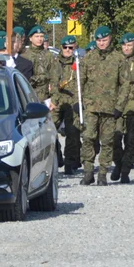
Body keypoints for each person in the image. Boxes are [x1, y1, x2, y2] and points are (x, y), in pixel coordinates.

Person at [79, 26, 121, 186]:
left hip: (110, 108)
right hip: (91, 107)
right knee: (88, 138)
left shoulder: (118, 58)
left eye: (104, 40)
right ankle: (88, 171)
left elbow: (124, 84)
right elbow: (80, 82)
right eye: (99, 40)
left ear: (110, 39)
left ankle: (103, 173)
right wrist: (79, 102)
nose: (101, 43)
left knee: (107, 141)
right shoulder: (88, 58)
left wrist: (120, 105)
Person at [49, 35, 82, 175]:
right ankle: (54, 157)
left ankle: (70, 162)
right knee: (49, 130)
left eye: (71, 47)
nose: (68, 50)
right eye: (65, 47)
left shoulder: (79, 62)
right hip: (57, 100)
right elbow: (54, 82)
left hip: (73, 100)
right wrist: (54, 100)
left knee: (72, 132)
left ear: (75, 47)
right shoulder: (56, 62)